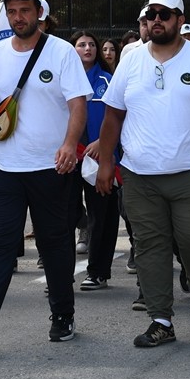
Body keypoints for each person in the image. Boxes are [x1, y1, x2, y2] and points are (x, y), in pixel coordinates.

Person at [0, 0, 91, 357]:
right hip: (3, 166)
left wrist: (67, 145)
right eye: (12, 11)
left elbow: (79, 105)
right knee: (1, 245)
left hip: (51, 167)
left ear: (39, 12)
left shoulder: (61, 52)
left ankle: (63, 314)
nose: (17, 17)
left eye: (25, 10)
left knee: (54, 243)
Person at [95, 0, 190, 349]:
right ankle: (161, 320)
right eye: (151, 15)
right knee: (149, 246)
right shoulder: (130, 59)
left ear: (180, 19)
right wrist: (105, 162)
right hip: (140, 174)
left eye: (164, 14)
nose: (156, 21)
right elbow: (113, 114)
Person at [70, 31, 119, 291]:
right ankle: (62, 272)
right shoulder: (63, 78)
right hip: (68, 155)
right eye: (81, 44)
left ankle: (98, 271)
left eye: (91, 44)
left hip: (99, 155)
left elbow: (119, 116)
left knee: (102, 214)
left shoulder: (107, 80)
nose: (87, 48)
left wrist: (104, 144)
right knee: (67, 212)